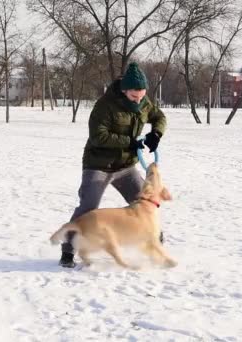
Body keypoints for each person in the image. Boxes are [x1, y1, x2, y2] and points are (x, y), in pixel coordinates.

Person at [59, 62, 167, 268]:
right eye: (134, 96)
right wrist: (130, 142)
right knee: (88, 207)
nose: (139, 100)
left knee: (145, 202)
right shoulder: (105, 105)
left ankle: (155, 239)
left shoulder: (144, 102)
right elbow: (98, 136)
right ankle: (68, 249)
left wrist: (156, 133)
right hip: (98, 164)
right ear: (125, 90)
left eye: (142, 95)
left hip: (125, 165)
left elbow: (158, 116)